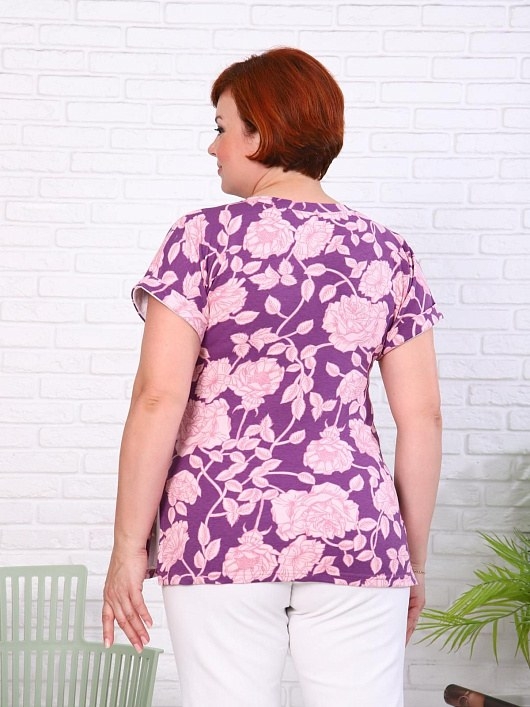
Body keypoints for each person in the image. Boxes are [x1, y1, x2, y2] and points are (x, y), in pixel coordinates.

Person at [102, 47, 443, 707]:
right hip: (356, 529)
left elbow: (158, 397)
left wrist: (127, 547)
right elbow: (422, 418)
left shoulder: (200, 239)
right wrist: (413, 559)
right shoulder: (387, 251)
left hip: (218, 527)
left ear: (259, 136)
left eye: (222, 127)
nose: (214, 147)